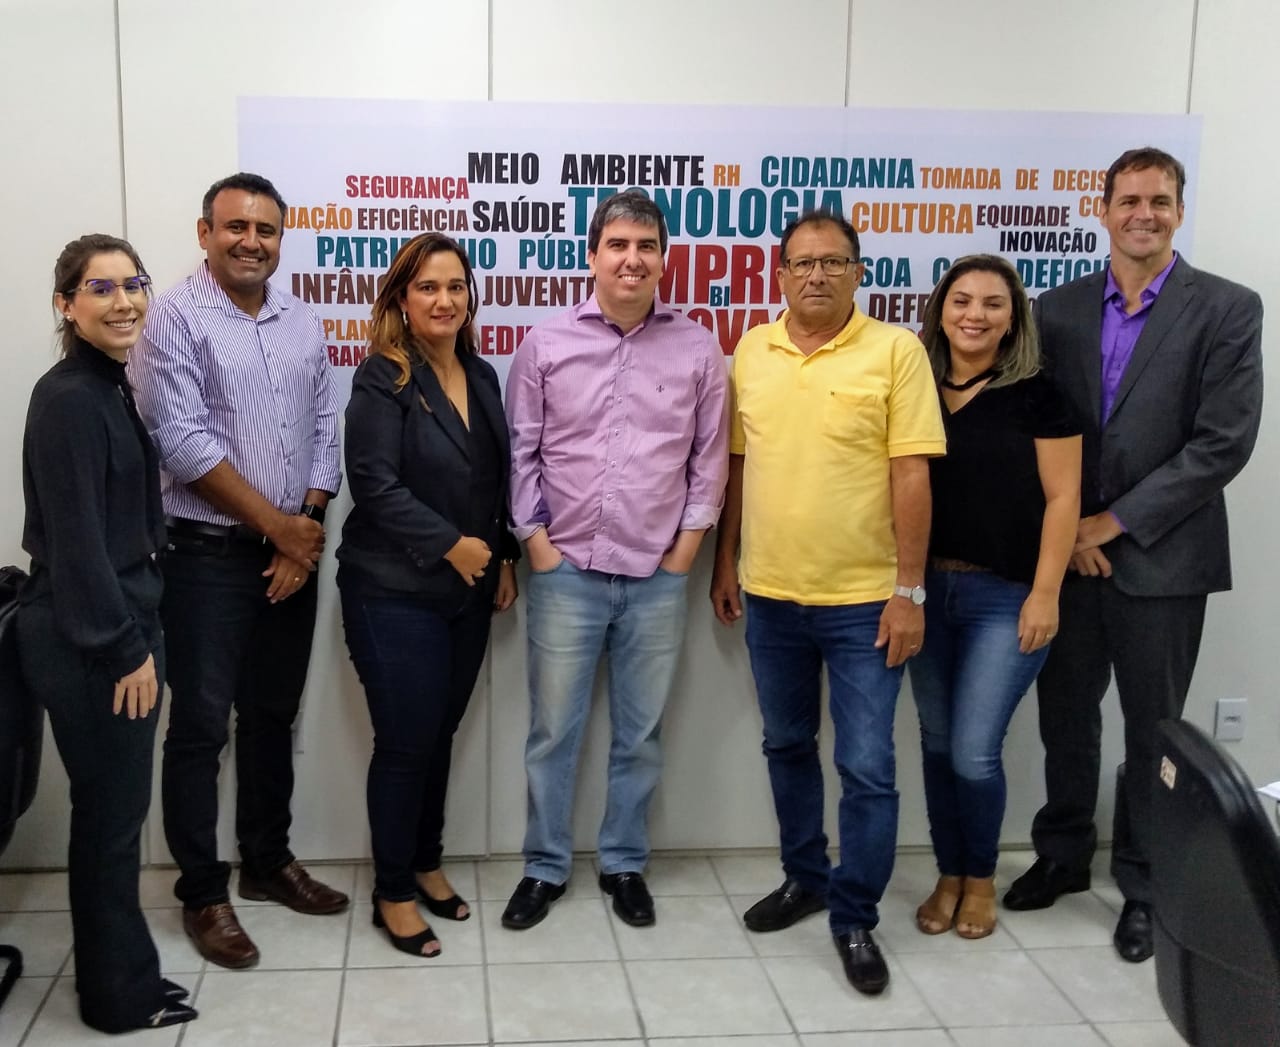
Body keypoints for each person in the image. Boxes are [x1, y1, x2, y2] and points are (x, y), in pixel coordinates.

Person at [1003, 147, 1264, 964]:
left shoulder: (1228, 308)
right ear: (1103, 209)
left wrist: (1109, 524)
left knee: (1155, 732)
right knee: (1065, 715)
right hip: (1070, 555)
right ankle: (1063, 853)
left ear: (1180, 210)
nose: (1143, 213)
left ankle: (1146, 885)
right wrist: (1069, 531)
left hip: (1163, 557)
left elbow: (1222, 443)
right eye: (1128, 200)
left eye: (1159, 200)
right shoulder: (1057, 307)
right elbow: (1040, 427)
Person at [710, 211, 946, 995]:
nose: (817, 274)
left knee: (867, 765)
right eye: (803, 262)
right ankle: (805, 877)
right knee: (786, 744)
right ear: (779, 274)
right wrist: (726, 562)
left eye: (834, 262)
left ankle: (854, 916)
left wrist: (909, 590)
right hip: (771, 596)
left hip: (865, 603)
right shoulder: (753, 349)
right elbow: (738, 465)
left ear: (858, 272)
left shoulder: (896, 352)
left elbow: (911, 474)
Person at [129, 172, 346, 970]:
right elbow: (182, 441)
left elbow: (326, 426)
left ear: (280, 238)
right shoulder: (173, 318)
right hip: (205, 559)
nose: (251, 241)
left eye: (266, 229)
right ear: (205, 233)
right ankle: (201, 891)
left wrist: (304, 527)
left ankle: (266, 861)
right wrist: (281, 530)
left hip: (291, 556)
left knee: (271, 716)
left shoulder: (301, 321)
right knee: (197, 728)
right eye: (236, 227)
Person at [503, 189, 729, 931]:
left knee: (641, 732)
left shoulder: (697, 347)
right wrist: (536, 543)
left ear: (664, 258)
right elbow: (522, 452)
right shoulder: (545, 344)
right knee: (552, 732)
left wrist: (685, 553)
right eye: (619, 244)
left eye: (646, 246)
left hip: (658, 575)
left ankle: (624, 861)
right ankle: (544, 865)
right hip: (565, 571)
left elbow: (709, 459)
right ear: (593, 254)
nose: (633, 259)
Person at [17, 235, 197, 1032]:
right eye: (101, 287)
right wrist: (125, 649)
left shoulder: (106, 384)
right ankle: (117, 998)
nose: (124, 301)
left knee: (109, 818)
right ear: (67, 304)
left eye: (133, 284)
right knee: (110, 823)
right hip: (95, 640)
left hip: (115, 623)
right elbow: (77, 543)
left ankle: (123, 975)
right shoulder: (69, 400)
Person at [338, 233, 519, 957]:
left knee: (438, 734)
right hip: (392, 590)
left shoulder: (482, 374)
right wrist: (452, 544)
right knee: (406, 742)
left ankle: (425, 860)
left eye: (455, 286)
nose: (444, 300)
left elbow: (493, 481)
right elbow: (373, 485)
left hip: (467, 592)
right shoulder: (382, 377)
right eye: (427, 287)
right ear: (402, 300)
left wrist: (501, 557)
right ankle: (391, 891)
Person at [907, 255, 1081, 941]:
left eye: (992, 304)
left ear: (1013, 320)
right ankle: (948, 873)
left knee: (974, 750)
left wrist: (1046, 593)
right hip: (923, 591)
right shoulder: (914, 382)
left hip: (1005, 596)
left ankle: (979, 877)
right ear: (939, 311)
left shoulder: (1039, 394)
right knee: (936, 741)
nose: (974, 315)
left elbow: (1063, 499)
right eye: (961, 301)